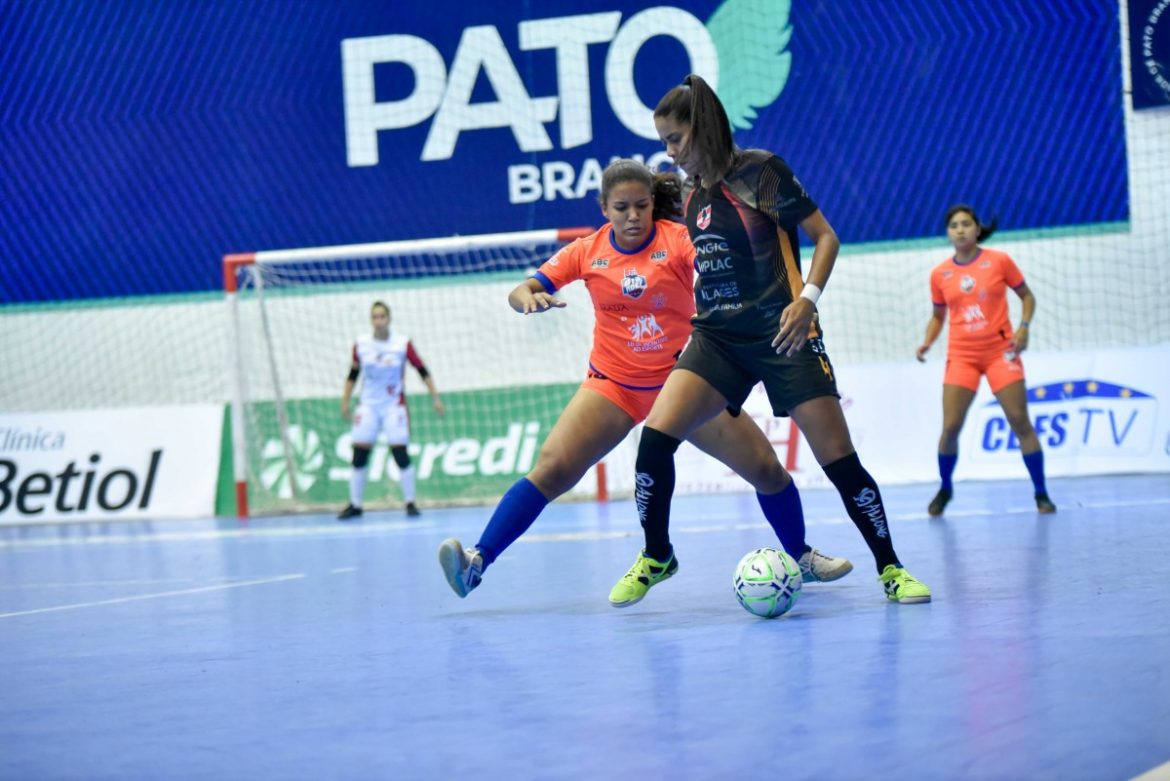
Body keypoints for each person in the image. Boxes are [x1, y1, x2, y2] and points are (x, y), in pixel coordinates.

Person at [438, 159, 853, 598]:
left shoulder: (678, 240)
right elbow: (524, 287)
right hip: (613, 386)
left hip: (684, 383)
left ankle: (800, 556)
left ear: (654, 203)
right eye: (621, 208)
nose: (633, 216)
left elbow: (719, 265)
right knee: (552, 468)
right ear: (604, 209)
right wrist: (527, 298)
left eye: (641, 205)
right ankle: (476, 563)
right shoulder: (586, 250)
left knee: (767, 470)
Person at [607, 74, 932, 608]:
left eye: (675, 139)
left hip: (784, 332)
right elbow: (628, 212)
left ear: (703, 127)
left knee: (839, 461)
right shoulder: (688, 192)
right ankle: (657, 554)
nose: (669, 151)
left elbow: (826, 237)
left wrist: (808, 301)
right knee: (656, 440)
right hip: (717, 338)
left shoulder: (761, 171)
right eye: (664, 141)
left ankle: (892, 568)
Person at [916, 205, 1056, 516]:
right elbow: (938, 316)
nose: (960, 229)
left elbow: (1027, 296)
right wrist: (927, 342)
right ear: (948, 232)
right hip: (962, 356)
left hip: (1000, 353)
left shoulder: (999, 261)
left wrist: (1024, 327)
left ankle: (1041, 493)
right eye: (954, 225)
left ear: (977, 229)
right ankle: (945, 488)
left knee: (1019, 420)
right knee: (950, 427)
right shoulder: (940, 274)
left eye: (966, 224)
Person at [338, 301, 445, 520]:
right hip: (368, 405)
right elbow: (353, 375)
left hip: (394, 406)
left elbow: (422, 370)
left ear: (389, 319)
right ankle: (355, 504)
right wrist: (345, 401)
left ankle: (410, 502)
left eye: (382, 317)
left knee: (400, 453)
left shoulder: (402, 344)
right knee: (359, 454)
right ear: (371, 320)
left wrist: (435, 397)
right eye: (375, 317)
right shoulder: (361, 344)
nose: (379, 321)